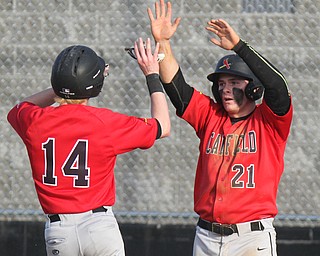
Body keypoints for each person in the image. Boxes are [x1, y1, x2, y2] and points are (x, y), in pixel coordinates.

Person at [146, 0, 293, 255]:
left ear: (252, 88)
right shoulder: (210, 116)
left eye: (234, 82)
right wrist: (164, 44)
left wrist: (239, 46)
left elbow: (278, 85)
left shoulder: (269, 122)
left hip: (251, 237)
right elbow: (176, 87)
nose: (225, 88)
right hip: (206, 237)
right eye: (222, 83)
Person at [7, 37, 170, 256]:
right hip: (98, 227)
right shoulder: (105, 123)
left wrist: (63, 86)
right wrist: (152, 74)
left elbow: (21, 107)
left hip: (58, 232)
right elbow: (163, 126)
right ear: (94, 84)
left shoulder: (34, 121)